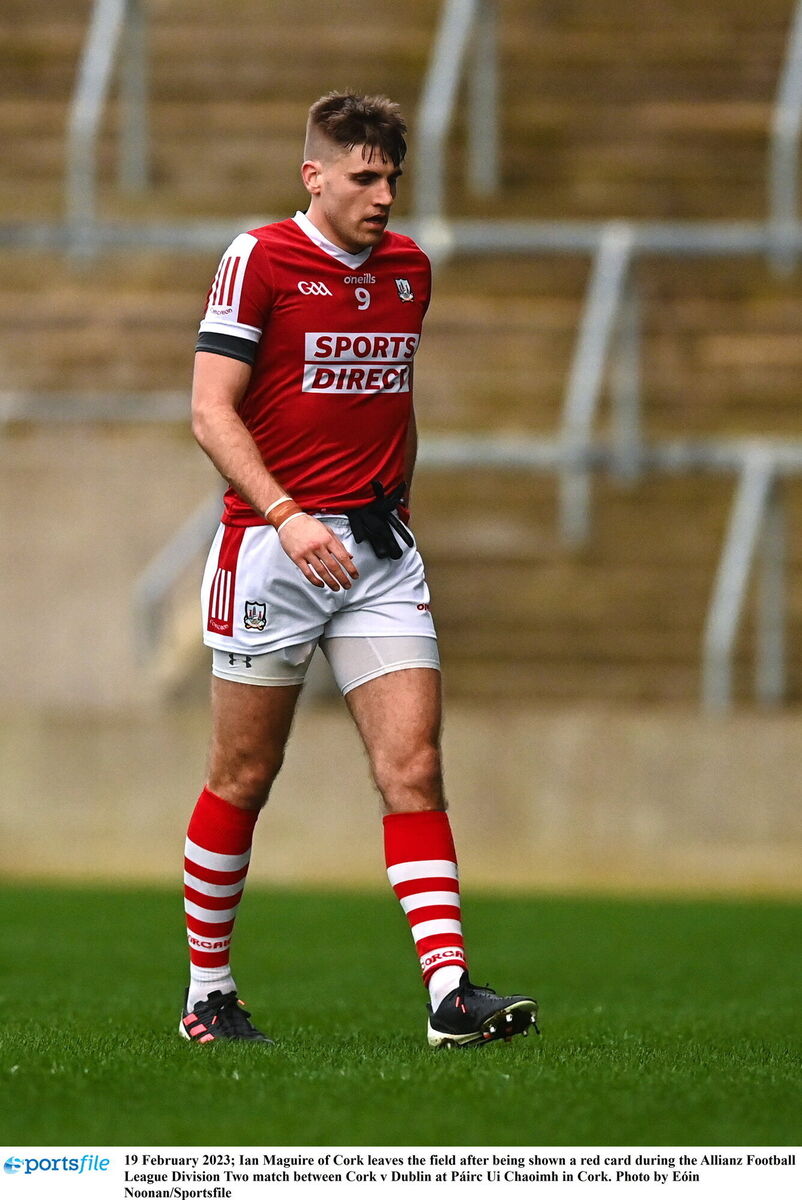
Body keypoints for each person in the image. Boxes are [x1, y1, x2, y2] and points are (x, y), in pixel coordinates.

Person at [179, 91, 538, 1048]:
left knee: (413, 765)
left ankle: (449, 995)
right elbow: (212, 411)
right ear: (316, 175)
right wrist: (289, 516)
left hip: (378, 553)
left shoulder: (412, 270)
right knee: (244, 774)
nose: (383, 196)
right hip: (271, 551)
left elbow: (395, 401)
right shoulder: (259, 258)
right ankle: (207, 994)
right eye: (364, 176)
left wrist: (396, 505)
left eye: (393, 178)